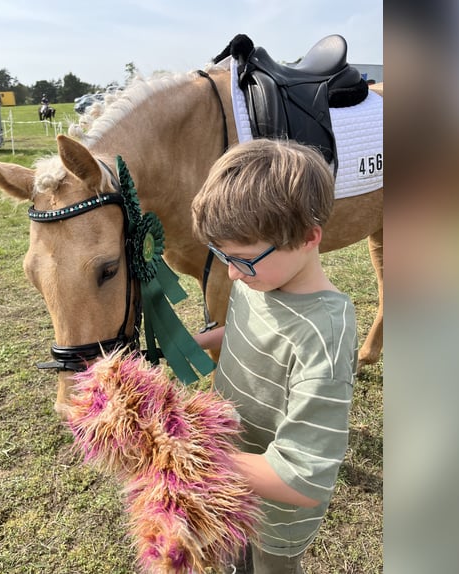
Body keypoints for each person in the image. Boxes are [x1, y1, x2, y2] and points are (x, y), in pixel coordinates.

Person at [191, 139, 358, 574]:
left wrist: (189, 453)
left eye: (243, 259)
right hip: (234, 480)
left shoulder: (324, 338)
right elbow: (255, 330)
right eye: (222, 256)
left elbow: (301, 478)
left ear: (309, 237)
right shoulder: (259, 280)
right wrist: (201, 341)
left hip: (275, 514)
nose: (232, 273)